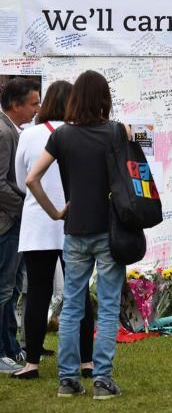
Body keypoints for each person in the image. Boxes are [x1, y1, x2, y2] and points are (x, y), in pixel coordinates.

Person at [26, 70, 127, 399]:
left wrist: (56, 212)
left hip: (74, 230)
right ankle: (102, 379)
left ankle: (68, 380)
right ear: (103, 97)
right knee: (109, 306)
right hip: (110, 230)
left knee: (71, 306)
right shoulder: (115, 132)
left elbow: (31, 179)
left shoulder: (63, 135)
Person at [12, 81, 94, 380]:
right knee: (80, 291)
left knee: (37, 292)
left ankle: (31, 362)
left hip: (38, 223)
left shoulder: (30, 135)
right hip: (75, 221)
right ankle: (87, 361)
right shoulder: (82, 133)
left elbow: (22, 182)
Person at [0, 77, 40, 374]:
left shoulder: (15, 131)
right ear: (15, 105)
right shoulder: (3, 133)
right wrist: (24, 210)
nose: (37, 109)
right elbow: (1, 183)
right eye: (33, 103)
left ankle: (11, 346)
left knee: (12, 289)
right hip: (7, 223)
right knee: (4, 289)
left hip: (13, 222)